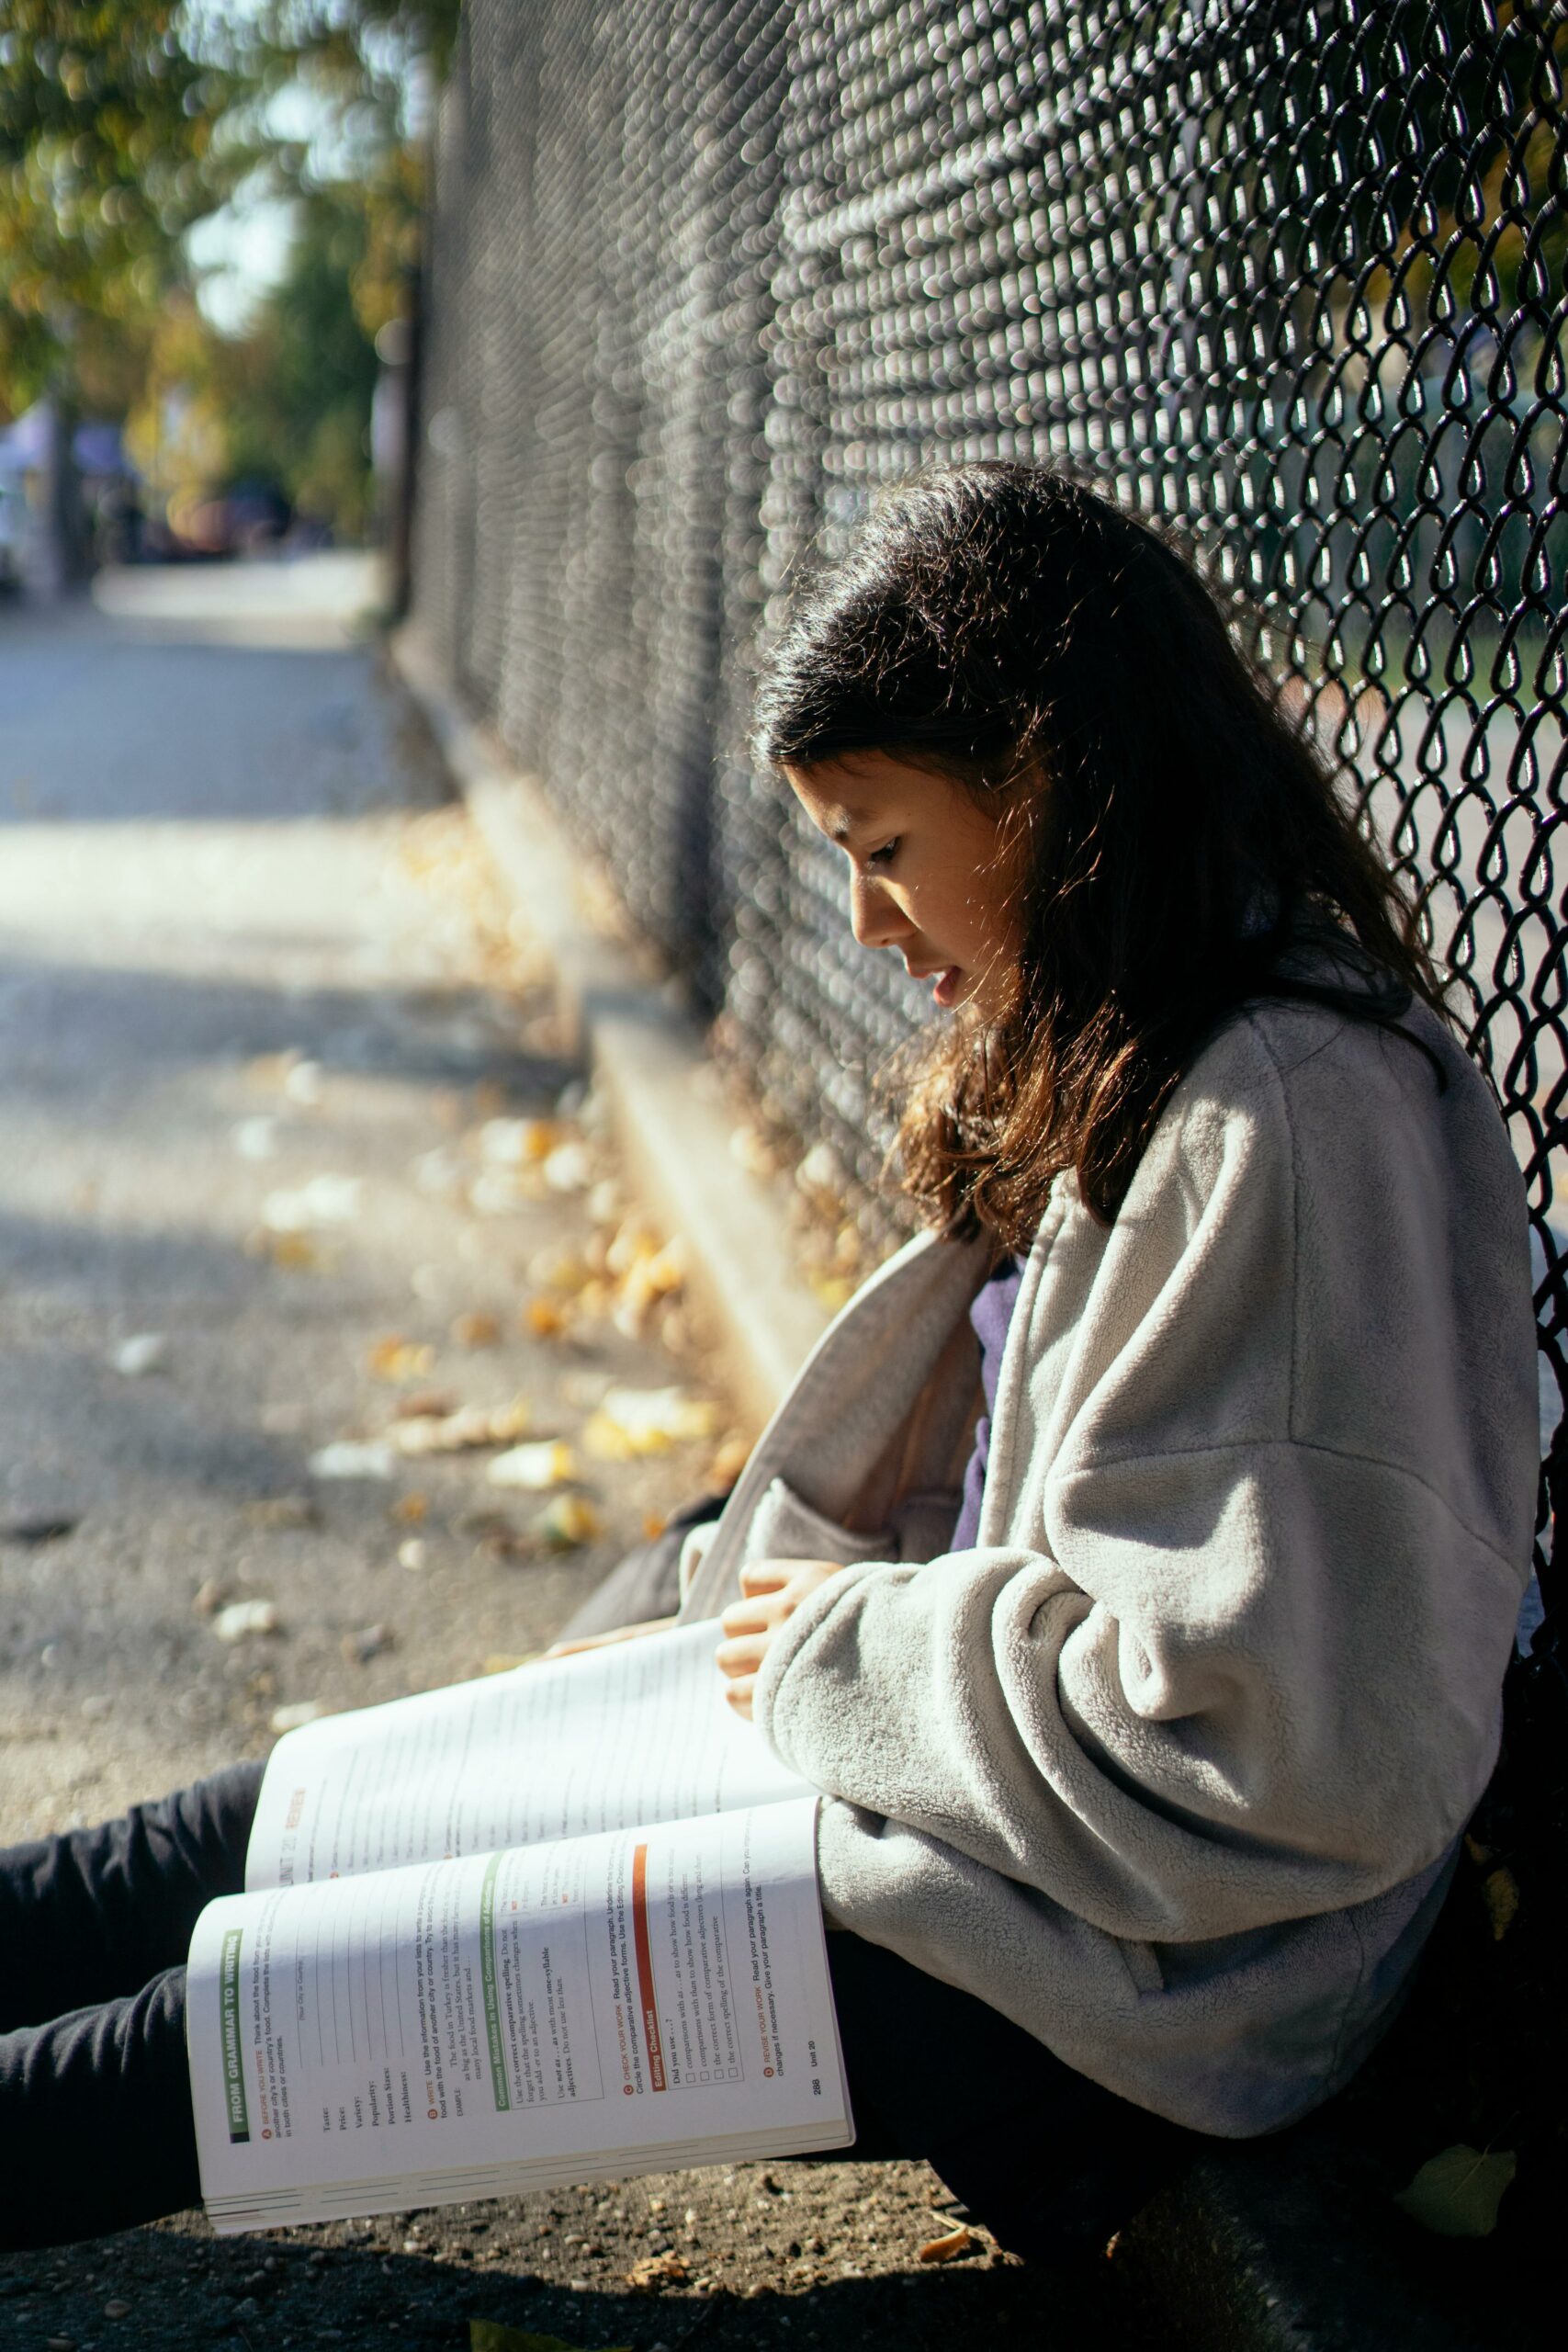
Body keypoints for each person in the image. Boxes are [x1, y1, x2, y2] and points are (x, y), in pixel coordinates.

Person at [0, 463, 1539, 2263]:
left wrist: (847, 1637)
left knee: (255, 2035)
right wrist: (826, 1615)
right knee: (250, 1835)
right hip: (944, 1811)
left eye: (884, 847)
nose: (875, 929)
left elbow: (1274, 1747)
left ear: (1051, 785)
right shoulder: (1158, 1044)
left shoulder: (1279, 1112)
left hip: (1100, 1982)